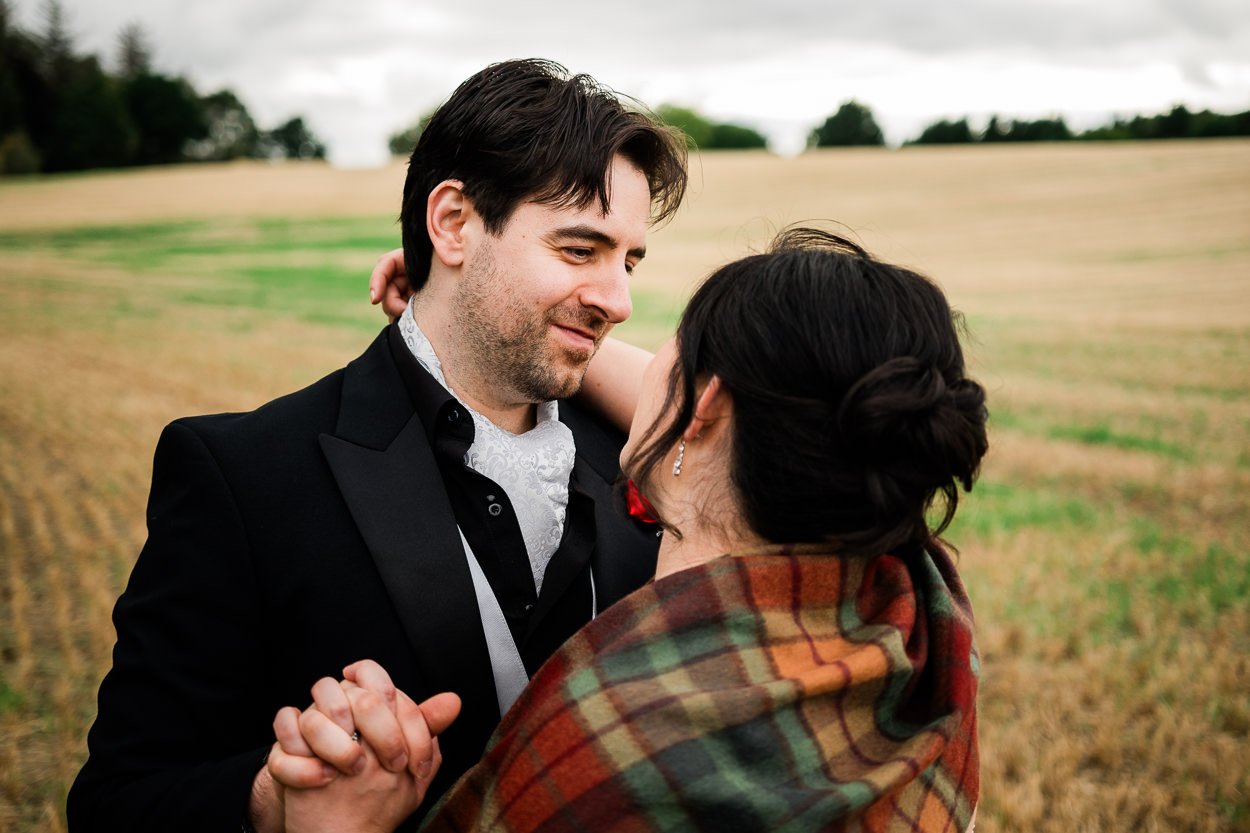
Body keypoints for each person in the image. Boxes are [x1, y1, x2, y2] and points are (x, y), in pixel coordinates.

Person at [67, 58, 687, 832]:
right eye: (579, 250)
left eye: (628, 260)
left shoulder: (651, 452)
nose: (621, 301)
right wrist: (272, 802)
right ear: (454, 223)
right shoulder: (245, 474)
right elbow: (117, 802)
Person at [267, 228, 989, 832]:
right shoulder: (918, 608)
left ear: (704, 407)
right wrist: (469, 306)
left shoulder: (615, 748)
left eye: (675, 340)